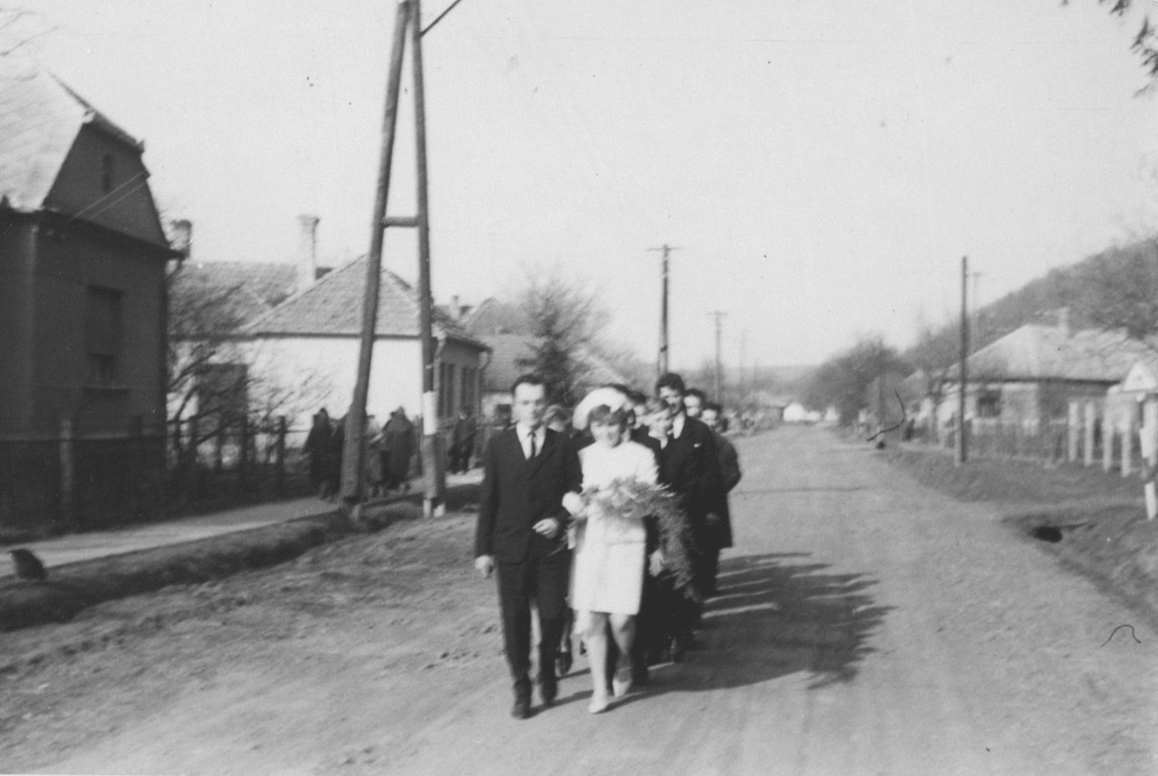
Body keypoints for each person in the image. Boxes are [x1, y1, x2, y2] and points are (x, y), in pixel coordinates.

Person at [474, 374, 582, 720]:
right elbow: (488, 500)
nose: (532, 409)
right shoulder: (498, 446)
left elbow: (577, 491)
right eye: (525, 402)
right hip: (511, 549)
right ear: (514, 405)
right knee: (515, 620)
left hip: (551, 549)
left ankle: (547, 665)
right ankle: (521, 685)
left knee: (552, 615)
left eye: (538, 402)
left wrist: (560, 520)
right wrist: (483, 550)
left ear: (545, 404)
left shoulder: (562, 445)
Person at [568, 394, 660, 713]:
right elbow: (571, 493)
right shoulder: (582, 456)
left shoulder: (641, 455)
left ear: (623, 424)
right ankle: (599, 690)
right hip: (592, 543)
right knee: (593, 617)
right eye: (599, 425)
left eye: (611, 425)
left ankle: (623, 658)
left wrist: (629, 504)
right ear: (590, 427)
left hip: (626, 543)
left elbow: (650, 499)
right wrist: (576, 506)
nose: (605, 432)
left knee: (621, 620)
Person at [655, 373, 726, 647]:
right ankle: (669, 630)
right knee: (663, 574)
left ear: (682, 397)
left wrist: (708, 507)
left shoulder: (699, 431)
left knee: (689, 568)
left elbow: (711, 473)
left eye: (675, 396)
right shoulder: (654, 429)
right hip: (660, 510)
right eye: (665, 397)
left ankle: (684, 628)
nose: (671, 402)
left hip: (692, 510)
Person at [382, 407, 415, 492]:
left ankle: (402, 485)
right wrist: (387, 447)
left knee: (401, 469)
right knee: (396, 469)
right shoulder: (396, 423)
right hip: (396, 451)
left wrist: (412, 449)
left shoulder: (406, 423)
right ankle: (399, 485)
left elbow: (412, 438)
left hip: (402, 451)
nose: (400, 414)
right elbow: (387, 436)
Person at [303, 409, 334, 499]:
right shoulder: (315, 427)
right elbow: (310, 439)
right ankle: (320, 491)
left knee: (326, 474)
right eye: (320, 415)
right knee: (317, 473)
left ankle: (325, 492)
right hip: (316, 454)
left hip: (326, 453)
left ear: (326, 416)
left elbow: (333, 438)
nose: (322, 417)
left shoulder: (329, 426)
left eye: (323, 415)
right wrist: (306, 450)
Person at [449, 407, 477, 474]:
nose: (460, 415)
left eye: (462, 413)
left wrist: (468, 438)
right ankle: (454, 470)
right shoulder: (458, 422)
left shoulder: (470, 421)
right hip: (458, 442)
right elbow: (455, 432)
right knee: (455, 455)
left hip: (466, 442)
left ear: (465, 413)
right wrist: (454, 440)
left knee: (465, 455)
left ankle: (464, 469)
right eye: (460, 413)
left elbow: (474, 431)